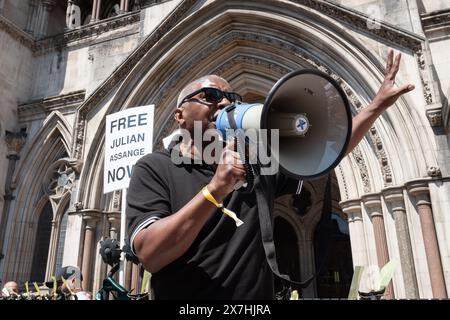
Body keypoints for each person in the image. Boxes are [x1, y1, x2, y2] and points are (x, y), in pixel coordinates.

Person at [126, 49, 415, 299]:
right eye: (211, 96)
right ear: (180, 115)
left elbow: (326, 149)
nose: (225, 103)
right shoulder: (155, 167)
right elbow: (151, 254)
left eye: (231, 97)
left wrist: (376, 106)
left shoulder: (255, 163)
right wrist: (215, 190)